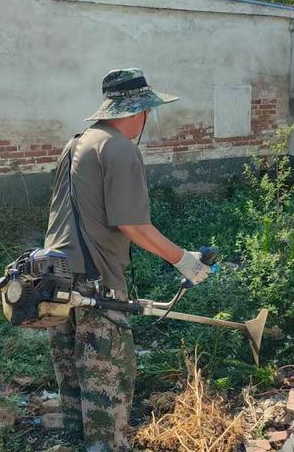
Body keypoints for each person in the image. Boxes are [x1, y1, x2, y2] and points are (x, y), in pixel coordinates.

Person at [44, 68, 211, 452]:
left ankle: (75, 444)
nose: (147, 119)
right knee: (107, 386)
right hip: (95, 284)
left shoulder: (77, 142)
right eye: (148, 111)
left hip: (53, 279)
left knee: (72, 381)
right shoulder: (119, 148)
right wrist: (185, 260)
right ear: (138, 110)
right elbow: (133, 225)